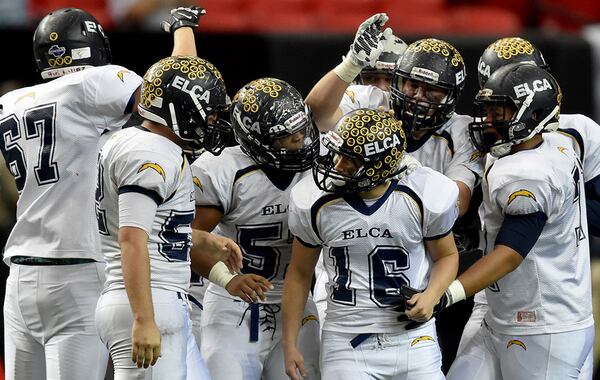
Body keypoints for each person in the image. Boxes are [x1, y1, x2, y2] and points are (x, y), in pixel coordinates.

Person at [0, 7, 157, 379]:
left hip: (21, 270)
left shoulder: (10, 101)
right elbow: (165, 101)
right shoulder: (95, 82)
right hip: (76, 270)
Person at [94, 53, 266, 378]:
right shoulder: (151, 152)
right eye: (211, 113)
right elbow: (132, 237)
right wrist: (144, 318)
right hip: (149, 300)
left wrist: (204, 242)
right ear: (182, 107)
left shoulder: (143, 143)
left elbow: (156, 230)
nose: (214, 122)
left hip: (159, 299)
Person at [433, 63, 594, 379]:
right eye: (488, 111)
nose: (489, 122)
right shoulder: (554, 145)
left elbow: (510, 253)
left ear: (534, 115)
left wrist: (447, 294)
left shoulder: (529, 173)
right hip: (503, 315)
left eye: (499, 113)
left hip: (544, 326)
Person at [282, 108, 459, 380]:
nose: (338, 165)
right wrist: (290, 343)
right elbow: (299, 273)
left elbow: (447, 256)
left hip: (413, 338)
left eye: (349, 160)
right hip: (346, 339)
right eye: (338, 155)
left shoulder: (420, 195)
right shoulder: (317, 201)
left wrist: (432, 294)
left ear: (378, 164)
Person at [191, 78, 321, 380]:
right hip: (236, 303)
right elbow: (188, 242)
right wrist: (227, 280)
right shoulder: (225, 170)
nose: (300, 139)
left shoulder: (322, 165)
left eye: (301, 129)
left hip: (296, 301)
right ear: (256, 138)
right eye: (287, 135)